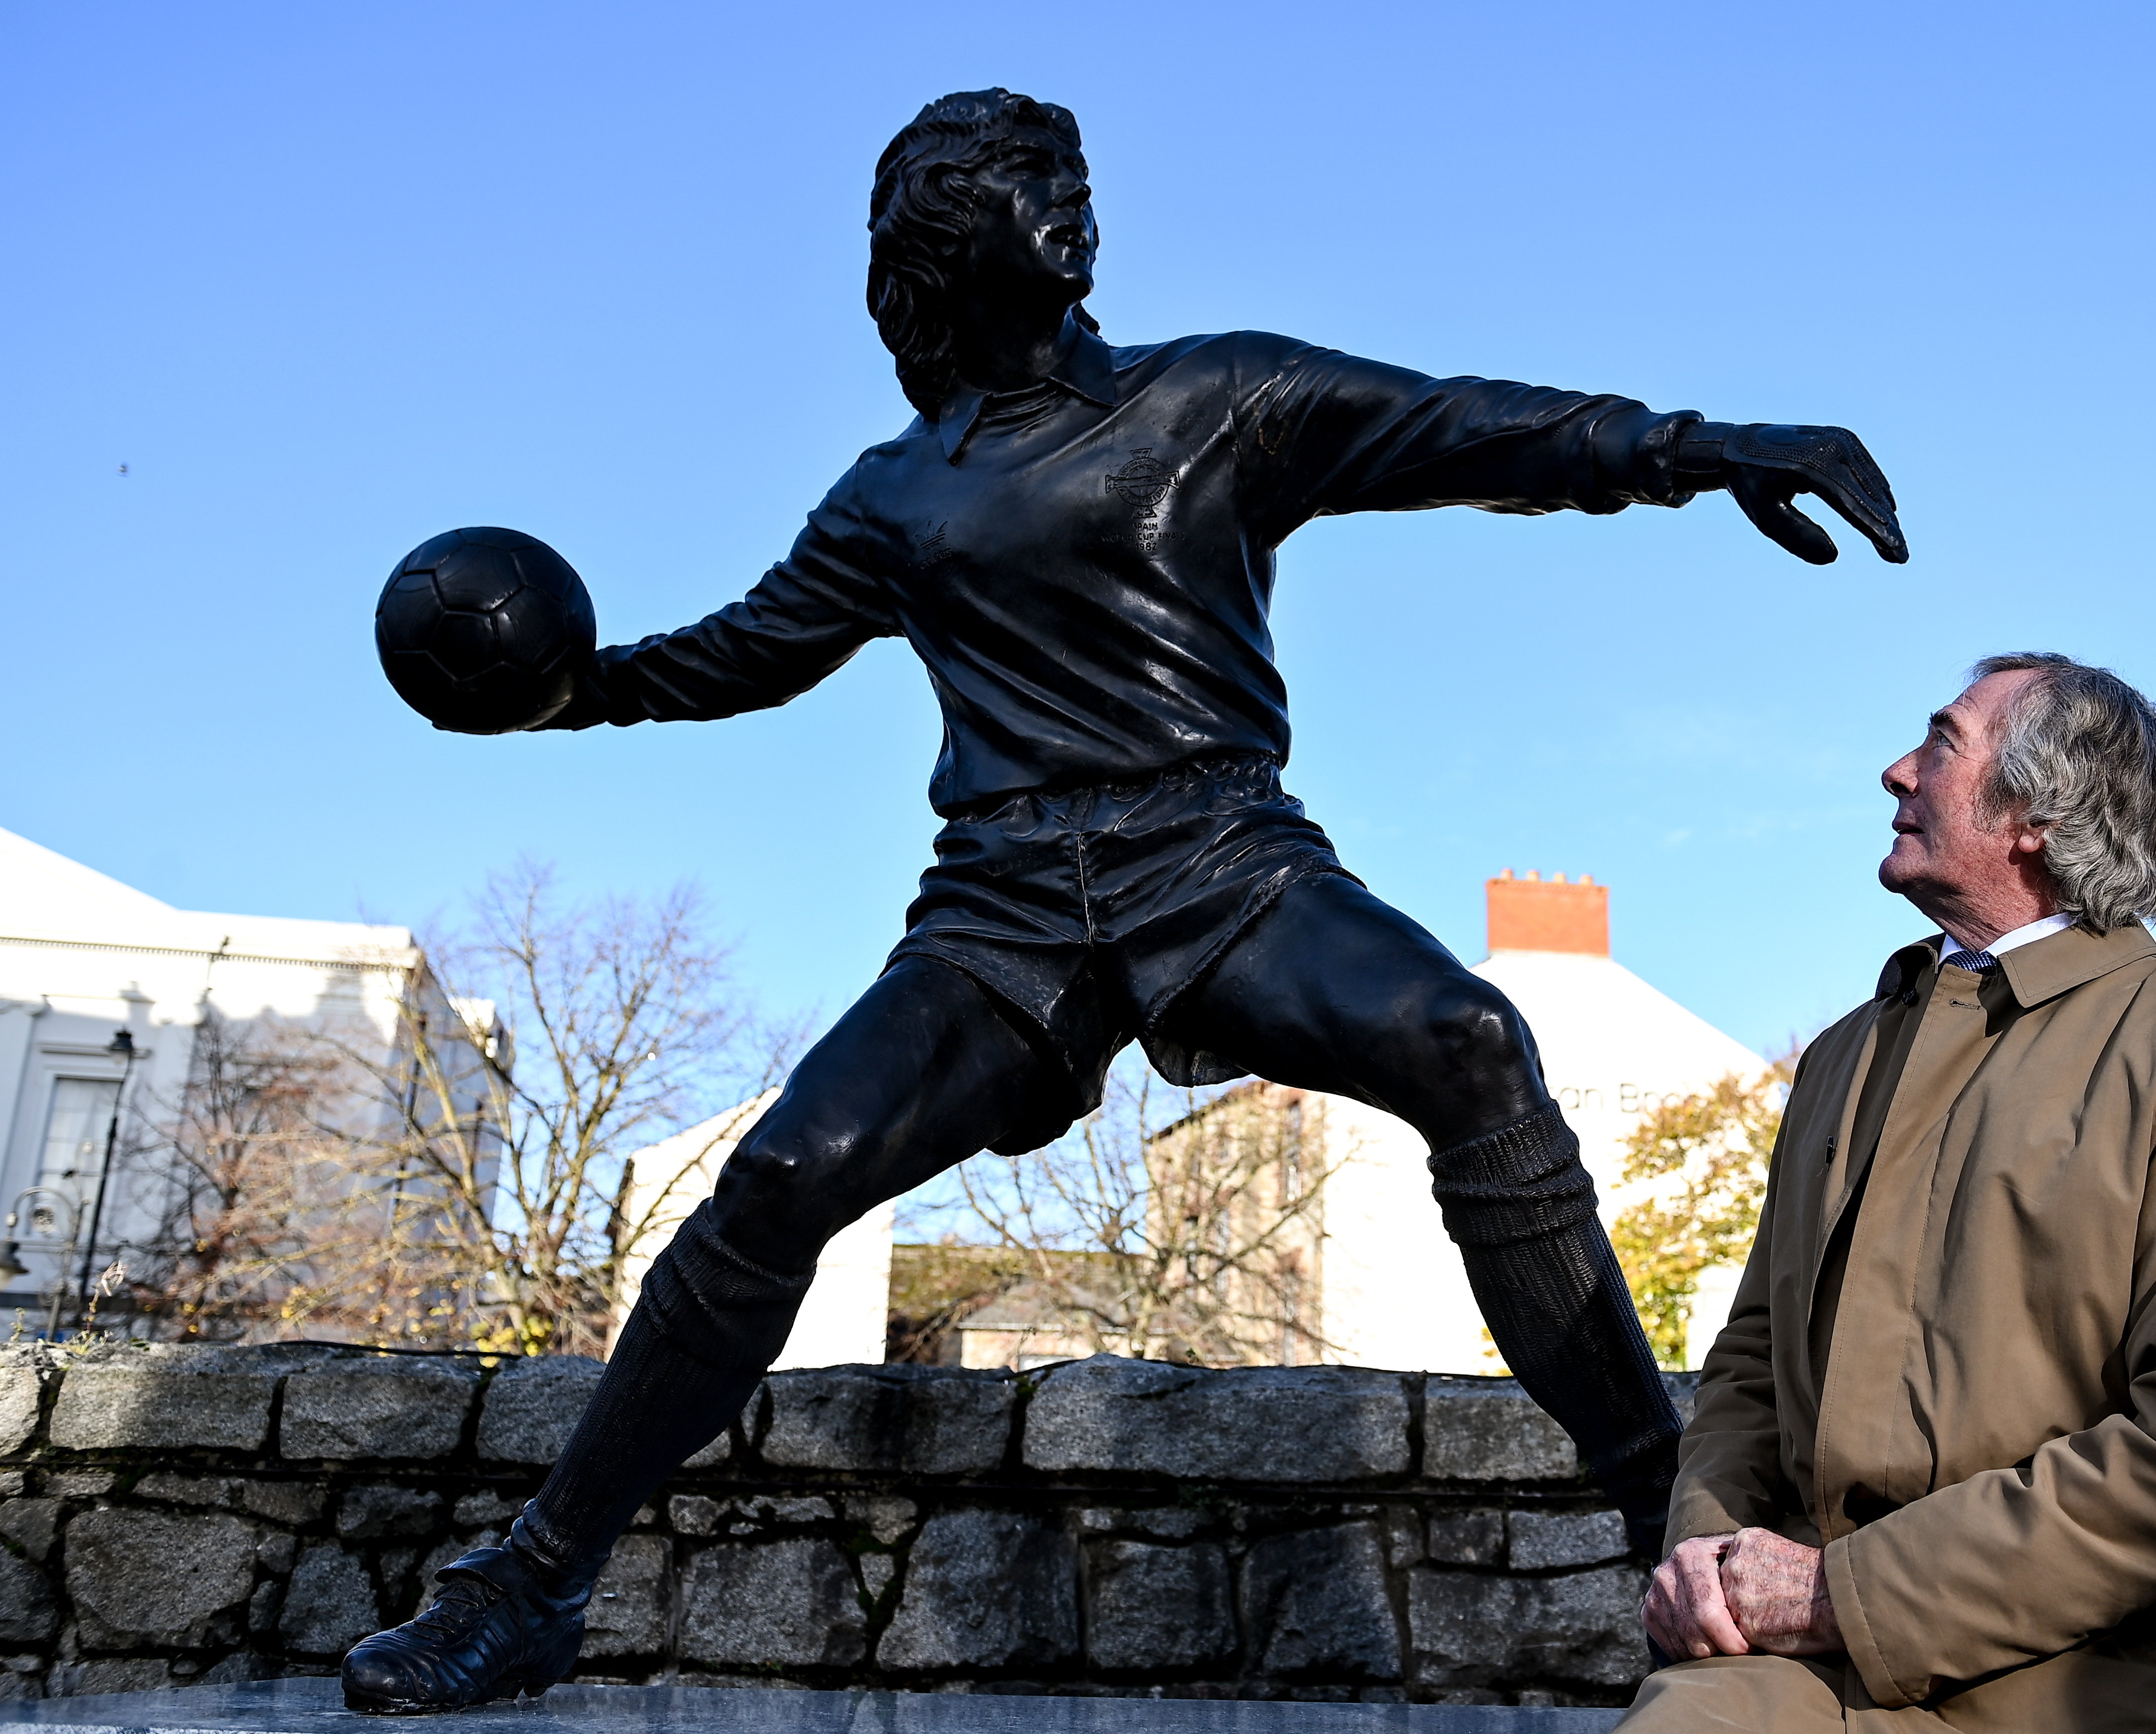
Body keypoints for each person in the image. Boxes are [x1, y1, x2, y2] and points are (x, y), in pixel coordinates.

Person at [341, 88, 1909, 1712]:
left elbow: (1461, 426)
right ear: (951, 229)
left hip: (1221, 859)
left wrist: (1699, 448)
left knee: (1468, 1038)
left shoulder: (1213, 395)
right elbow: (746, 651)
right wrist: (570, 692)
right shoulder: (892, 493)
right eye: (1030, 181)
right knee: (788, 1168)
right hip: (1002, 916)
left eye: (1073, 176)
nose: (1070, 203)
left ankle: (1673, 1524)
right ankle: (529, 1586)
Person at [1630, 655, 2156, 1732]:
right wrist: (1711, 1555)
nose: (1894, 771)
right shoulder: (1838, 1057)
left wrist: (1850, 1593)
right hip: (1779, 1670)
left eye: (1939, 743)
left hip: (2106, 1673)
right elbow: (1750, 1361)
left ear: (2034, 811)